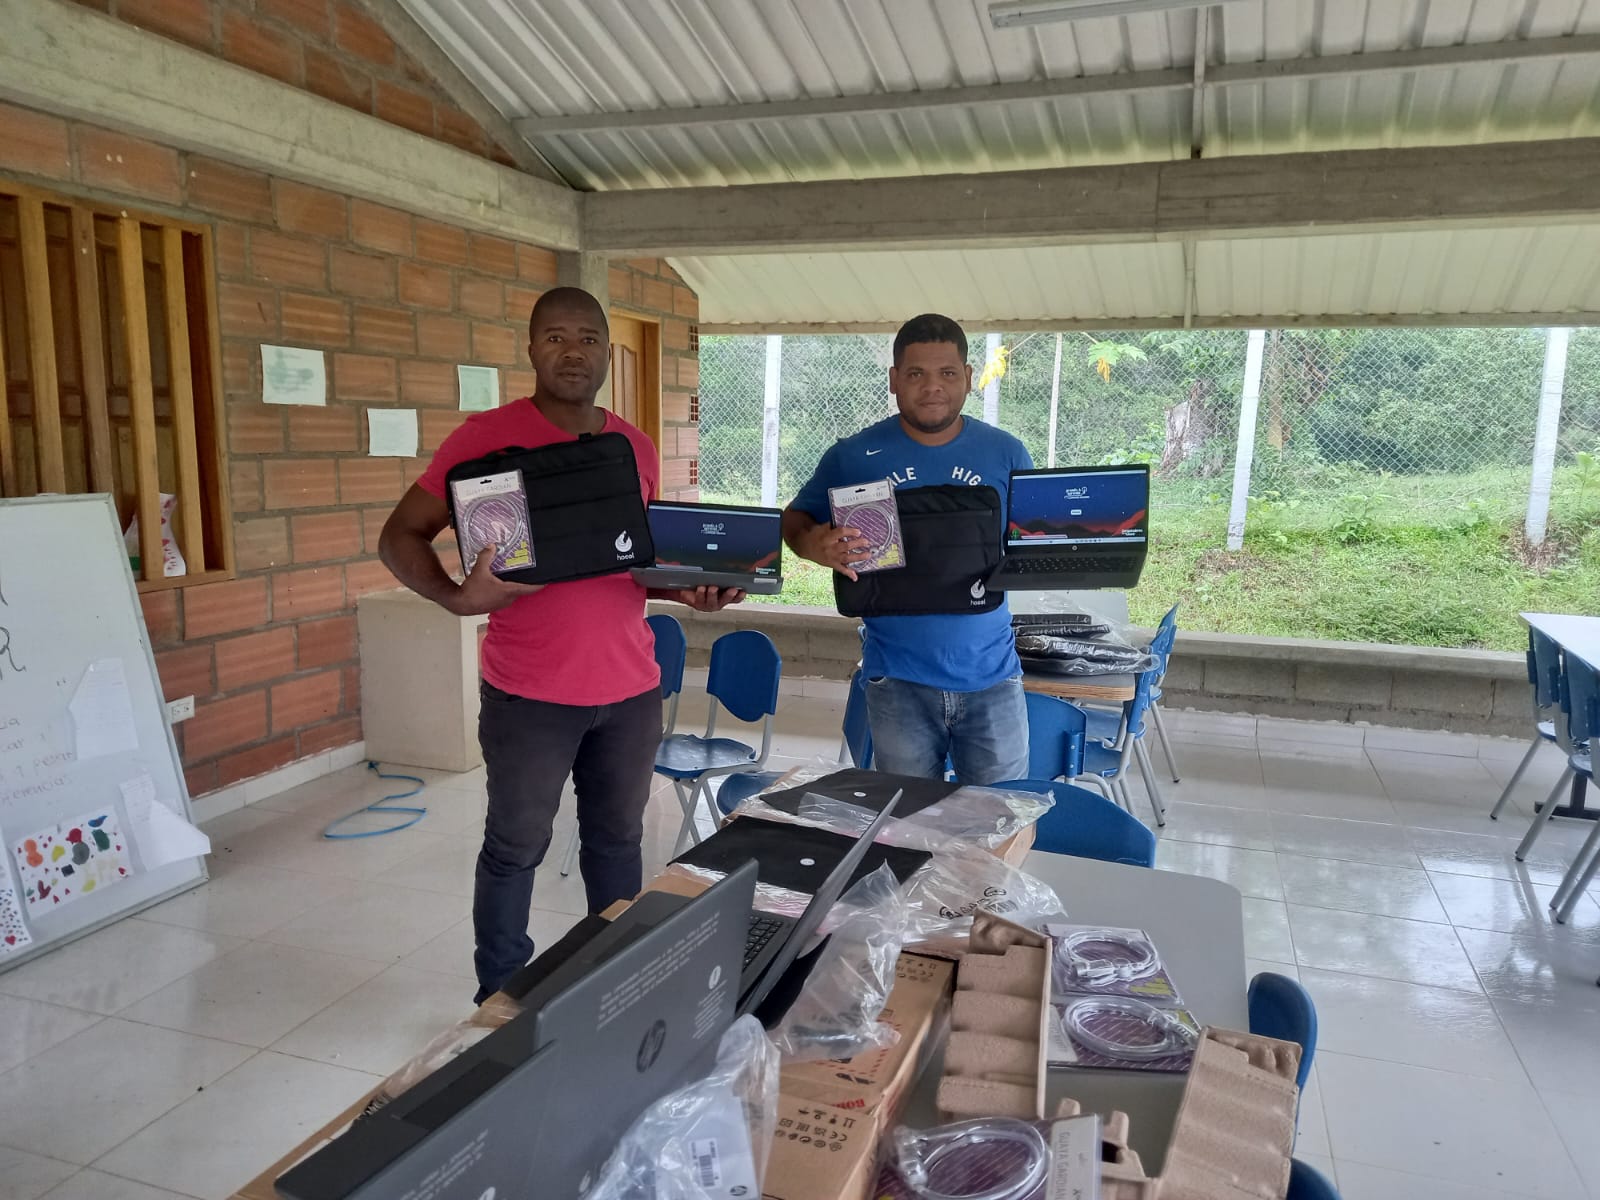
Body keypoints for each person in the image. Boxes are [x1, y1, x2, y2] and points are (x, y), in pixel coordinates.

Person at [380, 287, 743, 1003]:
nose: (573, 352)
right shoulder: (484, 438)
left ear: (607, 351)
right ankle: (500, 1000)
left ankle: (618, 984)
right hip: (529, 696)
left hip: (630, 691)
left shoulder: (634, 446)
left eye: (588, 338)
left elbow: (628, 563)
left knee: (618, 844)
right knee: (515, 848)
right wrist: (457, 597)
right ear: (531, 348)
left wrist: (688, 592)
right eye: (555, 337)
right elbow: (399, 535)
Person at [783, 314, 1032, 784]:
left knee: (1000, 816)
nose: (932, 387)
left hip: (993, 679)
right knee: (907, 820)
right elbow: (794, 519)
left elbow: (1032, 542)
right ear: (894, 379)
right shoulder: (852, 457)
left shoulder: (1007, 454)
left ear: (969, 377)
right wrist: (813, 544)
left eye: (947, 373)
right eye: (916, 373)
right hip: (897, 681)